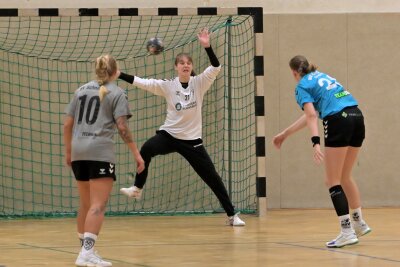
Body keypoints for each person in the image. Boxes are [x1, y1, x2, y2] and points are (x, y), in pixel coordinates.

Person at [118, 28, 245, 226]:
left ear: (191, 67)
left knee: (212, 178)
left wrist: (207, 47)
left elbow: (216, 67)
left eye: (188, 63)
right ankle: (137, 188)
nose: (185, 65)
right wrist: (119, 74)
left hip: (192, 141)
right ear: (176, 67)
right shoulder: (169, 85)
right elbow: (143, 82)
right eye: (182, 63)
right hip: (169, 135)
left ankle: (232, 215)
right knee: (146, 149)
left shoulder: (199, 83)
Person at [272, 55, 371, 248]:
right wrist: (285, 134)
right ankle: (359, 222)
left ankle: (347, 231)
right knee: (345, 176)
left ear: (294, 72)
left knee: (332, 180)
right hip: (356, 116)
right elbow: (311, 115)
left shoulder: (301, 86)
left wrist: (315, 142)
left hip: (338, 120)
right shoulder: (320, 76)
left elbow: (310, 114)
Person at [64, 54, 145, 266]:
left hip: (79, 151)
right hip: (99, 152)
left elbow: (67, 125)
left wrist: (68, 152)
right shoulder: (117, 92)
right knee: (98, 206)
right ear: (115, 71)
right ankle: (87, 254)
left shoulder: (80, 90)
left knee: (85, 204)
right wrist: (136, 153)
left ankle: (85, 250)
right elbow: (122, 127)